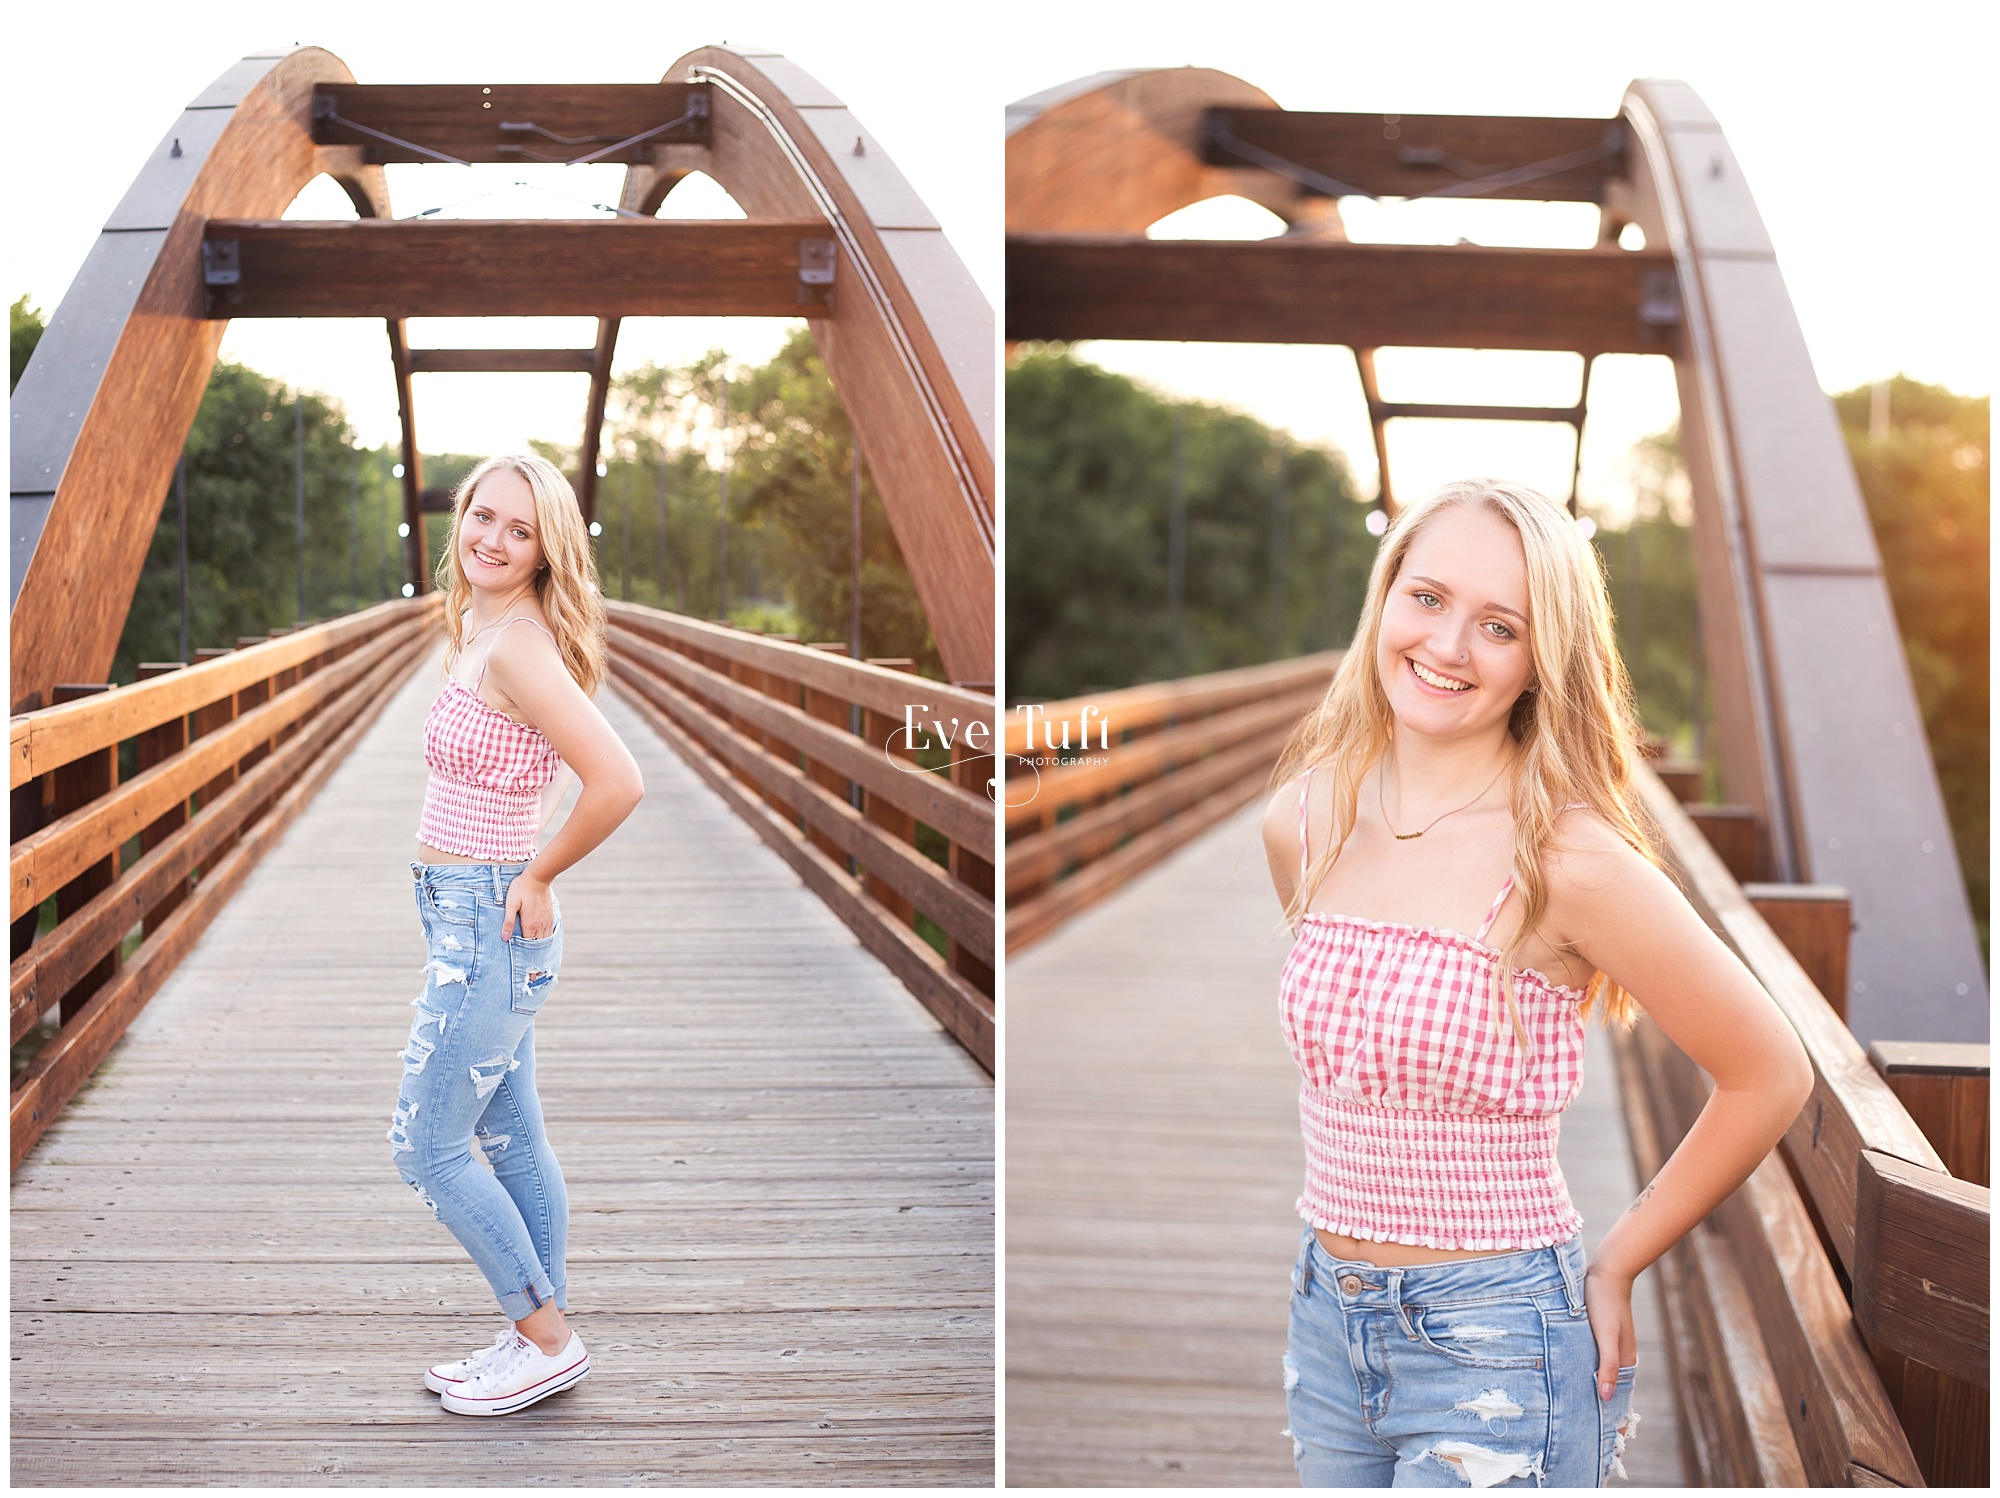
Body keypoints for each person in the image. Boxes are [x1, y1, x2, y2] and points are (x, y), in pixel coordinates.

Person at [1261, 478, 1812, 1486]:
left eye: (1498, 626)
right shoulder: (1302, 820)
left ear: (1538, 659)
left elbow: (1766, 1070)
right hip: (1323, 1322)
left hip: (1500, 1335)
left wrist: (1616, 1258)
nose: (1445, 646)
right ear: (1383, 596)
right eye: (1424, 598)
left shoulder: (1569, 860)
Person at [389, 454, 644, 1416]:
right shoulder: (481, 627)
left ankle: (546, 1340)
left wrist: (540, 870)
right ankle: (540, 1331)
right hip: (465, 915)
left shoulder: (518, 647)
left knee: (426, 1147)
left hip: (490, 919)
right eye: (483, 517)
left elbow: (618, 779)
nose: (493, 540)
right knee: (511, 1134)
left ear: (548, 549)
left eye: (520, 530)